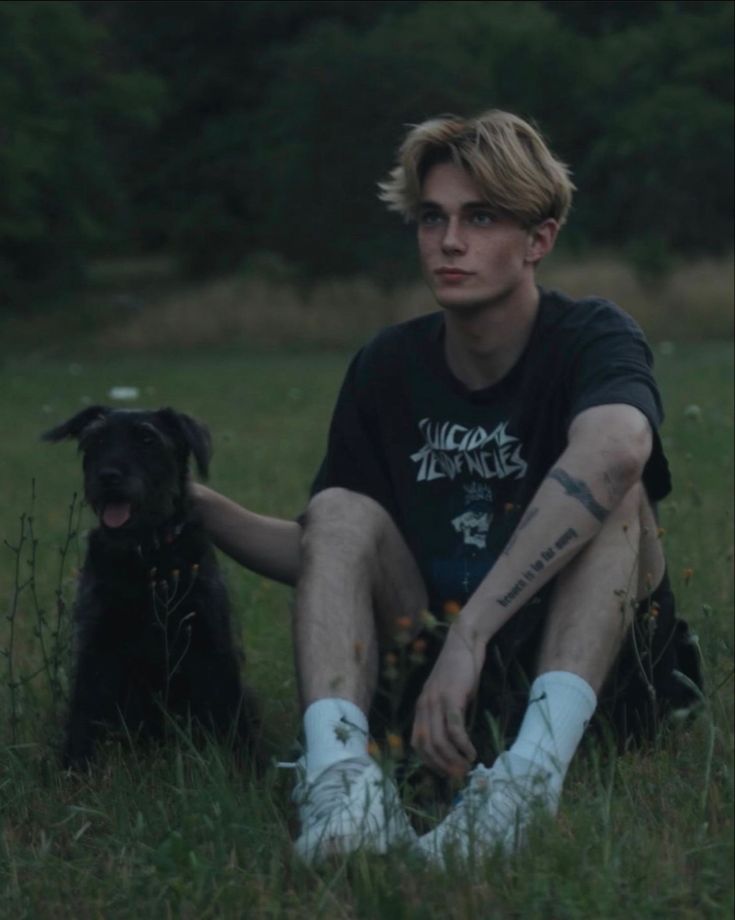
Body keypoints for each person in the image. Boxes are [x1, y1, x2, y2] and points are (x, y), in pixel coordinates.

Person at [193, 110, 702, 867]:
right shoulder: (387, 366)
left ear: (539, 239)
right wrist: (193, 503)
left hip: (587, 671)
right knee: (336, 508)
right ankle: (342, 782)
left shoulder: (589, 335)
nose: (449, 241)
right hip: (436, 681)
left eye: (481, 217)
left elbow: (619, 449)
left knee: (616, 493)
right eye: (432, 218)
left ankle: (528, 779)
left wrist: (473, 631)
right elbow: (332, 551)